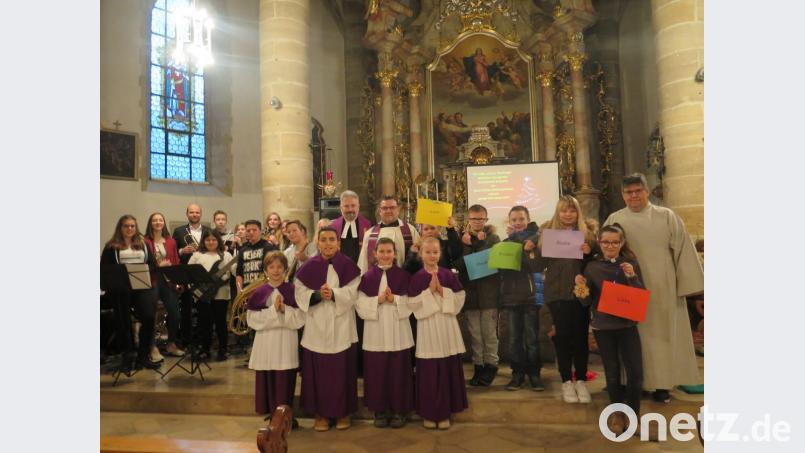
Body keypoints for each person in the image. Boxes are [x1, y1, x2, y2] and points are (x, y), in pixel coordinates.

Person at [604, 173, 704, 403]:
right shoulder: (615, 219)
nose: (634, 196)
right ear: (622, 195)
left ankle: (662, 385)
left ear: (646, 191)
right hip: (628, 287)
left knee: (663, 336)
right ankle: (636, 382)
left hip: (663, 286)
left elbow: (683, 250)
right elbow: (606, 250)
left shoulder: (666, 216)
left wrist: (688, 285)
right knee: (633, 338)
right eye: (629, 192)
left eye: (638, 190)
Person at [575, 224, 645, 432]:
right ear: (599, 241)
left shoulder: (630, 263)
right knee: (612, 372)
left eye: (615, 242)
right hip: (603, 327)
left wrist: (632, 276)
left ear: (622, 243)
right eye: (606, 241)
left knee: (635, 373)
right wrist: (580, 287)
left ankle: (633, 416)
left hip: (627, 325)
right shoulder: (592, 267)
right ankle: (616, 414)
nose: (610, 245)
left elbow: (641, 295)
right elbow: (585, 301)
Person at [531, 195, 598, 404]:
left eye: (572, 210)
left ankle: (581, 380)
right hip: (556, 293)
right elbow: (538, 266)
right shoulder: (547, 234)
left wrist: (589, 253)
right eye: (564, 210)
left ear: (578, 213)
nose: (568, 214)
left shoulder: (587, 234)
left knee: (580, 338)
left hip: (580, 293)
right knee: (562, 337)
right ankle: (566, 380)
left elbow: (596, 261)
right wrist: (531, 251)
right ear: (557, 212)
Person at [294, 227, 361, 431]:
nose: (328, 243)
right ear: (318, 243)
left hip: (341, 325)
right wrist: (316, 295)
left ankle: (342, 413)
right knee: (318, 374)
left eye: (332, 239)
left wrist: (333, 295)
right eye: (324, 240)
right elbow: (299, 292)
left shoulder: (348, 266)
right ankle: (320, 415)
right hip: (317, 325)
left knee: (343, 372)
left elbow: (353, 293)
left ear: (338, 243)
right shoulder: (308, 266)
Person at [408, 237, 468, 429]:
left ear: (440, 254)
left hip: (446, 325)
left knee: (447, 368)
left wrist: (442, 291)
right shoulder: (416, 277)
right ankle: (429, 412)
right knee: (429, 370)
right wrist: (428, 292)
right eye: (427, 252)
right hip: (427, 327)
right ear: (421, 254)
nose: (431, 255)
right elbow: (412, 305)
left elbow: (460, 298)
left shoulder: (448, 275)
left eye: (435, 252)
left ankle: (444, 413)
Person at [355, 238, 414, 429]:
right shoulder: (367, 277)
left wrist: (395, 299)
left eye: (389, 251)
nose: (385, 255)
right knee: (376, 373)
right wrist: (378, 300)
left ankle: (399, 411)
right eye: (382, 251)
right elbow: (359, 304)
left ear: (395, 254)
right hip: (376, 332)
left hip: (398, 330)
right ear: (375, 254)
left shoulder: (404, 276)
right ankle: (379, 410)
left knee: (399, 372)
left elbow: (411, 303)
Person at [247, 251, 305, 422]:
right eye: (271, 267)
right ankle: (272, 413)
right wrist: (273, 311)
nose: (276, 270)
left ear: (286, 269)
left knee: (285, 377)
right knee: (268, 377)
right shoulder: (259, 292)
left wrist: (284, 309)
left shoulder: (292, 290)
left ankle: (286, 416)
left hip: (286, 338)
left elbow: (301, 318)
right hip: (266, 340)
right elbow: (252, 319)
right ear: (265, 270)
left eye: (280, 266)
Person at [100, 215, 161, 371]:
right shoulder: (111, 246)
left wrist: (146, 272)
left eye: (132, 226)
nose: (129, 229)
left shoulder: (143, 244)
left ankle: (142, 357)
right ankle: (127, 357)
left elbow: (153, 265)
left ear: (136, 228)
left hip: (141, 287)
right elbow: (104, 270)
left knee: (148, 317)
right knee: (123, 322)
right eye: (126, 226)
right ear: (120, 228)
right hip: (120, 289)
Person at [454, 204, 501, 386]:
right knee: (475, 334)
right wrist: (466, 246)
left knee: (489, 333)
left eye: (481, 219)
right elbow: (459, 264)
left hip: (489, 293)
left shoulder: (494, 238)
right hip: (471, 295)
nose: (477, 222)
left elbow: (492, 262)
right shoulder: (463, 239)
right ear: (468, 220)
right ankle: (478, 366)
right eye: (474, 219)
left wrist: (480, 244)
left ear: (486, 219)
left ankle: (491, 365)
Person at [499, 206, 543, 391]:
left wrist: (520, 242)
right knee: (514, 339)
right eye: (514, 220)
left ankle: (534, 375)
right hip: (511, 297)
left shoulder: (536, 240)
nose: (518, 223)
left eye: (521, 219)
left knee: (532, 339)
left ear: (528, 219)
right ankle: (517, 374)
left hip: (530, 296)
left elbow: (533, 265)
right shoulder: (505, 243)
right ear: (510, 222)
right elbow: (502, 269)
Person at [143, 212, 185, 360]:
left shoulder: (171, 241)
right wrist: (158, 265)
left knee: (175, 313)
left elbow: (176, 261)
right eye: (155, 220)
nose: (158, 222)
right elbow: (143, 263)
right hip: (153, 280)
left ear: (164, 223)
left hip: (168, 281)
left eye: (160, 220)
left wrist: (178, 280)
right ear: (150, 223)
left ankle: (171, 344)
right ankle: (153, 347)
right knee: (151, 315)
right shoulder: (144, 241)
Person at [188, 230, 234, 361]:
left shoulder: (226, 255)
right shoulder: (197, 255)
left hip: (221, 294)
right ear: (203, 241)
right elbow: (190, 273)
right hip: (202, 295)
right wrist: (196, 290)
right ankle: (205, 349)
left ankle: (223, 349)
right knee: (204, 323)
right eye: (208, 240)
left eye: (214, 240)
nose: (211, 242)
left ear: (218, 241)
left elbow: (233, 271)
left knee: (221, 322)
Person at [172, 203, 212, 346]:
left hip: (203, 273)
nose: (194, 214)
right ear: (187, 214)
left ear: (200, 214)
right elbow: (172, 252)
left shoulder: (209, 230)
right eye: (191, 212)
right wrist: (183, 251)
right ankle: (186, 340)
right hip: (186, 273)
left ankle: (203, 340)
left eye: (197, 212)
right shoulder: (178, 231)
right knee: (186, 308)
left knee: (203, 308)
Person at [358, 196, 420, 273]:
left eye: (392, 207)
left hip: (404, 280)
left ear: (398, 210)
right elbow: (363, 261)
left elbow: (419, 257)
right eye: (385, 208)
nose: (388, 211)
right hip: (377, 281)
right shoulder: (370, 234)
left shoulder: (410, 230)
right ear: (380, 211)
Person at [330, 190, 374, 263]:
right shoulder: (333, 226)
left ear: (358, 207)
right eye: (346, 206)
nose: (350, 209)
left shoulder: (368, 225)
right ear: (341, 208)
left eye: (353, 206)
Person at [236, 220, 278, 294]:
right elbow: (239, 274)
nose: (251, 232)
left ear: (260, 231)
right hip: (246, 291)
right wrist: (239, 292)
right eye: (248, 230)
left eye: (254, 230)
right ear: (246, 232)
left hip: (264, 290)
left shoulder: (268, 247)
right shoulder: (242, 250)